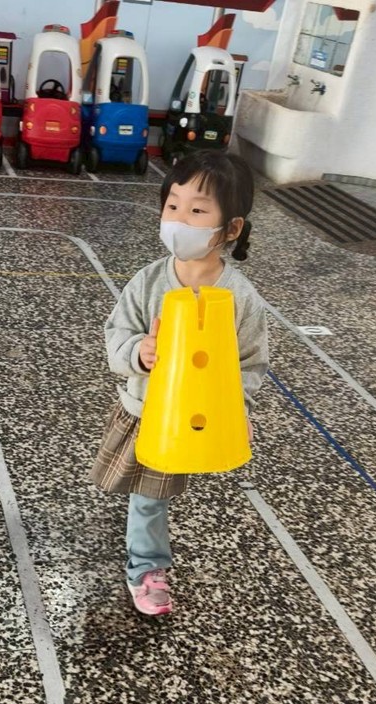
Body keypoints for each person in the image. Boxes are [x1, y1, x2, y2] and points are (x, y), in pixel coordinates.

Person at [89, 150, 269, 616]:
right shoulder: (148, 281)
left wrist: (237, 410)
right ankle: (146, 569)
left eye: (197, 210)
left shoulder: (240, 298)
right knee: (149, 497)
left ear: (230, 228)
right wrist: (139, 352)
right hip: (150, 413)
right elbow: (116, 334)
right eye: (173, 205)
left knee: (154, 494)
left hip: (203, 421)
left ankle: (143, 548)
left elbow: (250, 363)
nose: (179, 219)